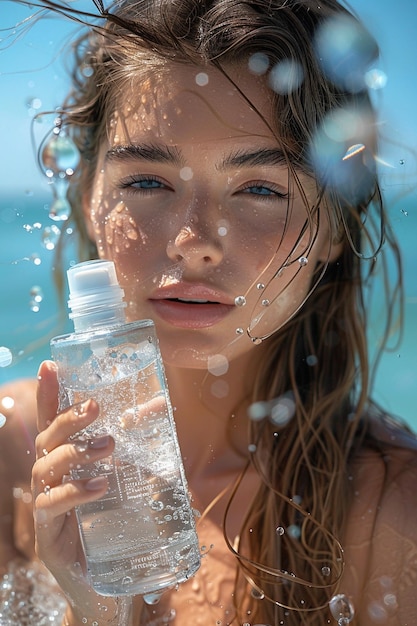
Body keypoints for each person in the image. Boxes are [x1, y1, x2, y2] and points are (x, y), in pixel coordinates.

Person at [1, 0, 417, 624]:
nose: (194, 239)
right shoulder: (12, 450)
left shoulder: (392, 512)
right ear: (88, 195)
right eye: (146, 182)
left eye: (258, 188)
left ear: (335, 224)